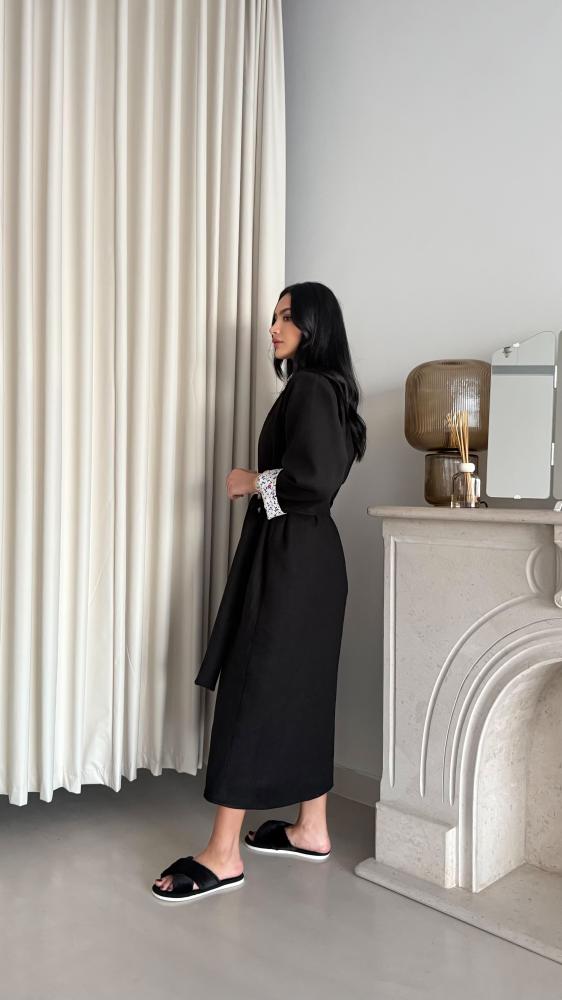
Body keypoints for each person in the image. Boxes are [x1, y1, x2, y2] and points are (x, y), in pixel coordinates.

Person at [152, 281, 367, 902]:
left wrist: (249, 481)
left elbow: (311, 481)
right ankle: (312, 828)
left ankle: (223, 854)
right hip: (311, 559)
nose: (275, 327)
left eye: (288, 317)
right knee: (304, 688)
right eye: (274, 317)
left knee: (254, 685)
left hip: (293, 559)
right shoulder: (332, 390)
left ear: (316, 326)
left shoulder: (310, 387)